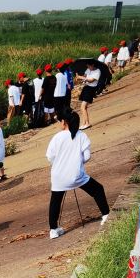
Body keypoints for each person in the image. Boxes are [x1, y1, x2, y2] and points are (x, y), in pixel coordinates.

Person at [46, 110, 109, 239]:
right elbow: (87, 156)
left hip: (58, 176)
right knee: (97, 189)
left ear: (64, 122)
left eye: (60, 121)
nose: (59, 123)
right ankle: (106, 215)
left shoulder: (57, 137)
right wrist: (77, 162)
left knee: (55, 201)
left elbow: (50, 157)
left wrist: (59, 163)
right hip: (76, 175)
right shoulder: (81, 136)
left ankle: (53, 230)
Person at [79, 62, 101, 130]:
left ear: (93, 65)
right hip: (86, 88)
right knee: (84, 107)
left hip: (91, 89)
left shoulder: (97, 71)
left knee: (82, 107)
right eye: (87, 66)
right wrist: (81, 78)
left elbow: (91, 80)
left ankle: (87, 123)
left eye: (89, 66)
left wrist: (82, 78)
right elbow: (85, 76)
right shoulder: (88, 69)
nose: (88, 67)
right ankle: (84, 123)